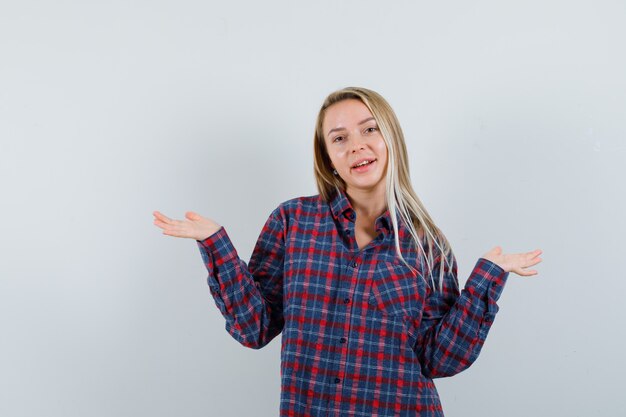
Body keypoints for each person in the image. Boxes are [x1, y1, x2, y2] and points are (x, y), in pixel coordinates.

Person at [153, 87, 542, 416]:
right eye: (339, 138)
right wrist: (217, 244)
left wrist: (487, 279)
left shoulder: (428, 246)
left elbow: (439, 359)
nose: (356, 145)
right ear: (329, 158)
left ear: (389, 138)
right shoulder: (293, 222)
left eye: (369, 130)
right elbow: (254, 328)